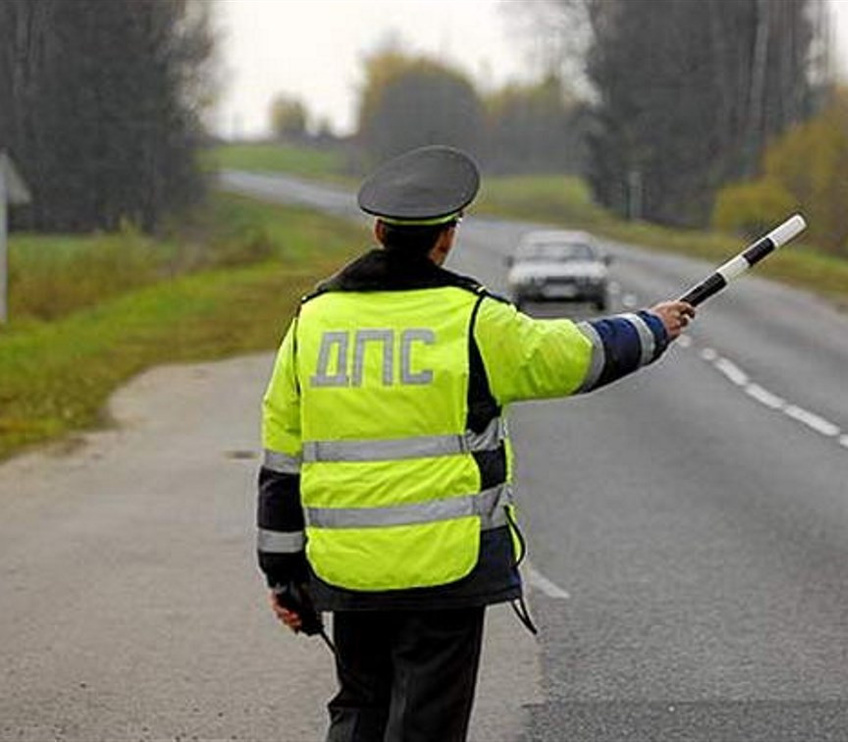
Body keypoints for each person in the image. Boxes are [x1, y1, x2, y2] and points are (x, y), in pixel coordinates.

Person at [255, 144, 694, 742]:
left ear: (379, 231)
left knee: (359, 709)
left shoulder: (313, 321)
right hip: (446, 567)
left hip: (348, 567)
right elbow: (572, 355)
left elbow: (281, 460)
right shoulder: (472, 319)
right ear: (447, 238)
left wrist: (283, 575)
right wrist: (651, 327)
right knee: (427, 721)